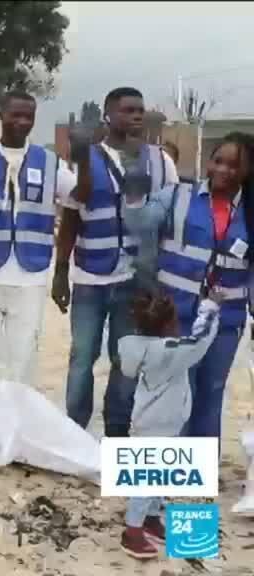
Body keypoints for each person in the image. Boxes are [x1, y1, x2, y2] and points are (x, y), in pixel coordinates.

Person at [53, 86, 179, 437]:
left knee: (126, 358)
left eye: (140, 110)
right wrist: (60, 272)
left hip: (136, 280)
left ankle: (117, 429)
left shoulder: (161, 161)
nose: (136, 116)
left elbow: (171, 216)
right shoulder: (85, 158)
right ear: (108, 115)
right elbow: (71, 217)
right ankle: (75, 428)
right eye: (128, 110)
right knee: (82, 356)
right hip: (90, 277)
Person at [123, 134, 251, 441]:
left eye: (234, 165)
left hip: (225, 320)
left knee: (212, 391)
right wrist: (134, 195)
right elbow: (140, 223)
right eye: (218, 161)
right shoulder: (178, 195)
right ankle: (178, 459)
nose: (222, 170)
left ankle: (204, 461)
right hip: (176, 315)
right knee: (180, 391)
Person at [0, 91, 79, 387]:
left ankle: (16, 417)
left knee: (23, 360)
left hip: (30, 272)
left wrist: (84, 158)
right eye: (16, 115)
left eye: (29, 116)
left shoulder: (48, 161)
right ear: (1, 115)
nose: (23, 121)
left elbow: (78, 198)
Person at [117, 291, 219, 559]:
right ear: (167, 325)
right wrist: (210, 307)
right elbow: (201, 339)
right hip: (162, 424)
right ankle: (132, 531)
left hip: (149, 421)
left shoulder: (136, 347)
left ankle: (151, 518)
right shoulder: (174, 352)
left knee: (159, 476)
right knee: (146, 482)